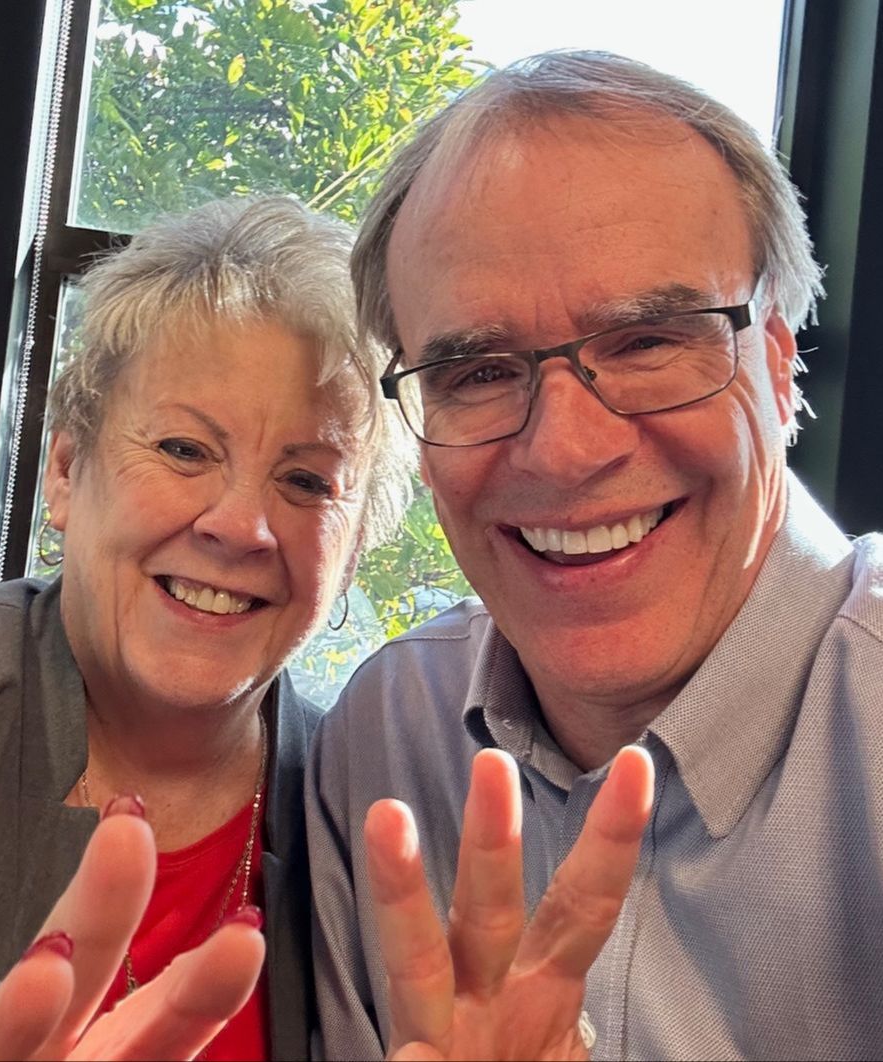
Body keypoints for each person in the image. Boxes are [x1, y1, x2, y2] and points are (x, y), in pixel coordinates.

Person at [307, 50, 883, 1061]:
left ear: (778, 358)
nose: (564, 451)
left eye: (647, 342)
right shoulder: (386, 738)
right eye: (477, 372)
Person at [0, 195, 412, 1060]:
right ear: (66, 469)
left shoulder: (369, 816)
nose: (240, 526)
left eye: (307, 482)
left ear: (354, 549)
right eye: (184, 449)